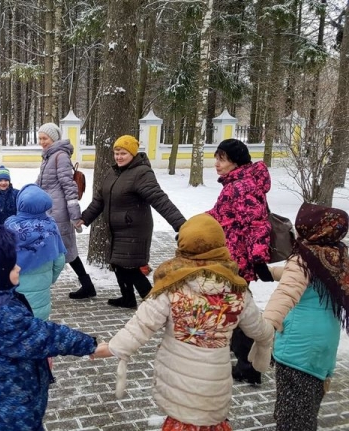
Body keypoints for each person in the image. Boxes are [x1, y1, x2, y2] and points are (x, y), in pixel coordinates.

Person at [93, 213, 274, 431]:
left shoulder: (172, 287)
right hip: (214, 387)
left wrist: (112, 347)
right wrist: (265, 343)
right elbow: (259, 328)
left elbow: (141, 325)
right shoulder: (237, 291)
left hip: (179, 386)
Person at [0, 226, 97, 431]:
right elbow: (49, 336)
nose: (19, 268)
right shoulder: (6, 317)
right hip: (18, 402)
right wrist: (90, 345)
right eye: (13, 266)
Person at [260, 202, 349, 431]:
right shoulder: (337, 254)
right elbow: (308, 278)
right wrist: (270, 273)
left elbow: (287, 293)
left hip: (298, 348)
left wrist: (264, 329)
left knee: (294, 417)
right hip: (324, 346)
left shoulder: (304, 258)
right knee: (307, 406)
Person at [79, 135, 186, 308]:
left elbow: (159, 199)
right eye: (116, 153)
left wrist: (181, 224)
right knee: (118, 264)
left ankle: (154, 304)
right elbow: (100, 199)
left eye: (123, 153)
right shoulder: (112, 172)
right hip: (116, 229)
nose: (119, 157)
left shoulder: (142, 173)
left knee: (131, 268)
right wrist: (85, 218)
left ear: (133, 154)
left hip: (134, 228)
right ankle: (127, 299)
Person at [207, 138, 272, 385]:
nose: (217, 164)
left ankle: (251, 364)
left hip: (237, 261)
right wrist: (196, 226)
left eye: (222, 159)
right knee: (238, 309)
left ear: (236, 161)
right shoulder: (235, 184)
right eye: (217, 158)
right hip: (231, 258)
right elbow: (221, 215)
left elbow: (256, 224)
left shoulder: (242, 186)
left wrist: (258, 261)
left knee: (238, 311)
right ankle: (251, 362)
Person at [36, 122, 96, 299]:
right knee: (60, 249)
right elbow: (40, 183)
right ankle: (87, 285)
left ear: (53, 138)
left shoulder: (59, 156)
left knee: (65, 249)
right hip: (49, 210)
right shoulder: (48, 157)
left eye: (44, 138)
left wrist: (75, 214)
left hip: (58, 212)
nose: (42, 142)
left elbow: (69, 187)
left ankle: (86, 286)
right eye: (40, 138)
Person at [5, 184, 66, 320]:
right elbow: (60, 259)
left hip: (14, 293)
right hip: (41, 292)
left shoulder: (9, 226)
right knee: (39, 327)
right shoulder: (51, 227)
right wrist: (50, 279)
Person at [0, 165, 19, 231]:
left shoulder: (15, 193)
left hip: (13, 226)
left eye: (6, 180)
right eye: (0, 180)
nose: (3, 183)